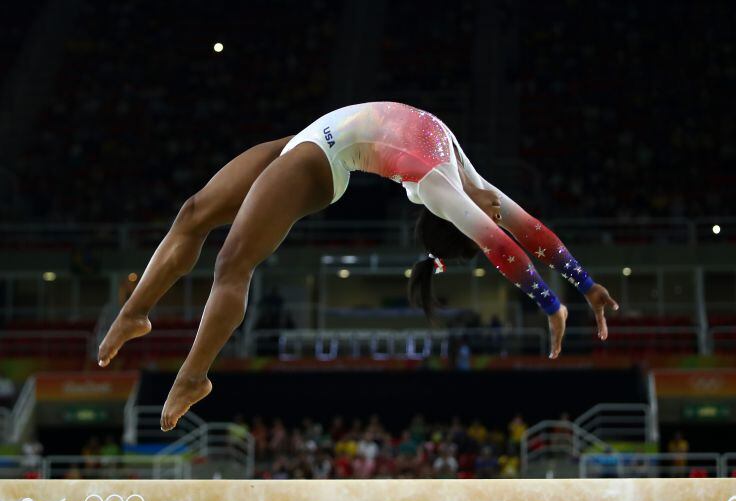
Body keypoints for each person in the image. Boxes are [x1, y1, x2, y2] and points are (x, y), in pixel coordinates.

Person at [95, 101, 619, 431]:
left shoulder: (440, 187)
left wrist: (551, 303)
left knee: (233, 261)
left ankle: (194, 376)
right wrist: (586, 284)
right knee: (192, 213)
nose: (498, 215)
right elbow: (532, 232)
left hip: (320, 162)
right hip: (307, 135)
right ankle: (135, 313)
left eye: (486, 220)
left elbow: (503, 248)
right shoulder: (472, 178)